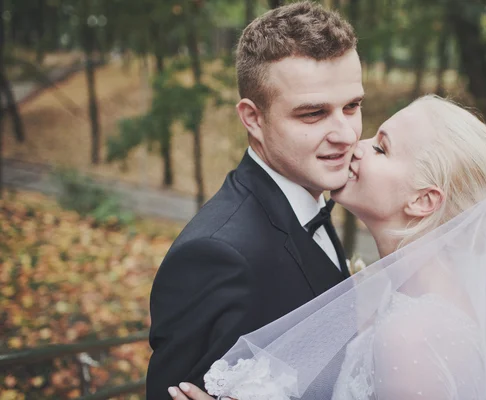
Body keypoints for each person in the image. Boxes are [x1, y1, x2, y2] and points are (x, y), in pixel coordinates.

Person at [171, 95, 486, 399]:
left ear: (423, 201)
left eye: (382, 149)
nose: (357, 144)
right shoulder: (405, 296)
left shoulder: (412, 334)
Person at [146, 2, 364, 398]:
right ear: (252, 118)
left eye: (352, 106)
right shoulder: (216, 255)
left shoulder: (309, 197)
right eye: (313, 114)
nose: (346, 134)